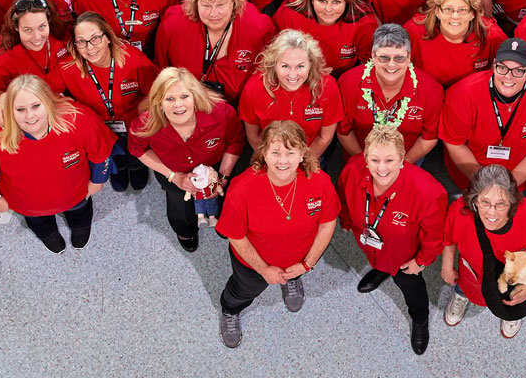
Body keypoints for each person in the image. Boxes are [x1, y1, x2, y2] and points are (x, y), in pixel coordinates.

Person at [215, 121, 340, 348]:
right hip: (252, 265)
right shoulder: (242, 188)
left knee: (292, 273)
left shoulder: (319, 181)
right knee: (242, 291)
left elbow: (327, 223)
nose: (283, 161)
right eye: (275, 153)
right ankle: (230, 310)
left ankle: (291, 280)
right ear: (263, 153)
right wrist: (263, 270)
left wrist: (306, 264)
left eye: (290, 152)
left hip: (299, 259)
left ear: (302, 153)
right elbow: (236, 236)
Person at [0, 75, 115, 254]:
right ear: (9, 110)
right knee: (41, 225)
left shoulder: (79, 119)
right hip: (27, 205)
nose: (30, 116)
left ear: (48, 102)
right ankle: (48, 235)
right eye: (20, 109)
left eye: (36, 106)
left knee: (80, 215)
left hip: (77, 195)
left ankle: (80, 228)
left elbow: (101, 154)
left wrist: (97, 181)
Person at [337, 125, 448, 354]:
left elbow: (435, 236)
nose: (382, 168)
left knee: (411, 288)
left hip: (405, 258)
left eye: (389, 160)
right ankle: (381, 269)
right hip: (371, 245)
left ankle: (419, 320)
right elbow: (343, 198)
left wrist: (421, 262)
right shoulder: (352, 170)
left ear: (402, 159)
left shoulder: (428, 192)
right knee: (378, 260)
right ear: (365, 158)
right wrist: (346, 222)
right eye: (375, 160)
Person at [441, 165, 526, 339]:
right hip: (471, 271)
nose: (491, 213)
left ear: (512, 201)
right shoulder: (459, 210)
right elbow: (449, 238)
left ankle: (511, 314)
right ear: (475, 200)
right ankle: (461, 294)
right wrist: (446, 267)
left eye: (500, 204)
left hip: (512, 281)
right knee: (466, 287)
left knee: (511, 301)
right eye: (485, 203)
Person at [129, 67, 244, 250]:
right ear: (159, 102)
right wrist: (174, 177)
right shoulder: (145, 123)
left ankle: (223, 224)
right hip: (171, 172)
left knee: (223, 198)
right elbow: (138, 150)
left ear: (195, 96)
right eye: (169, 98)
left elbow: (235, 141)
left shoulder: (222, 112)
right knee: (179, 204)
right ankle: (186, 231)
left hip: (215, 167)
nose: (178, 105)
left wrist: (222, 178)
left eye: (184, 96)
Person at [440, 37, 526, 192]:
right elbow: (454, 144)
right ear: (493, 66)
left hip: (518, 180)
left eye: (518, 70)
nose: (508, 76)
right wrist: (482, 184)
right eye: (502, 68)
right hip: (470, 176)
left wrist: (508, 187)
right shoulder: (464, 93)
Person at [59, 12, 157, 191]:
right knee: (116, 157)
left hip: (133, 125)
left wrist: (139, 115)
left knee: (134, 155)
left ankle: (137, 166)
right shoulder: (68, 68)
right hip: (100, 130)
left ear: (108, 37)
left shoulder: (132, 59)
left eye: (95, 38)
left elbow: (156, 92)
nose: (90, 47)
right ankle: (118, 168)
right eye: (81, 41)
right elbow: (45, 92)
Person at [155, 0, 275, 102]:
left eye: (220, 5)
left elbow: (267, 76)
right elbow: (162, 72)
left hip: (240, 107)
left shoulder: (259, 27)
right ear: (195, 4)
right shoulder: (173, 24)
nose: (213, 13)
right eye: (206, 5)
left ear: (234, 3)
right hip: (187, 106)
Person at [336, 24, 443, 162]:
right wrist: (366, 163)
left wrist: (401, 166)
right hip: (360, 156)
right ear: (373, 56)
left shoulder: (431, 89)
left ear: (409, 57)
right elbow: (344, 132)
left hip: (407, 159)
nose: (391, 65)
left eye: (399, 58)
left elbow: (428, 138)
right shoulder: (348, 82)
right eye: (384, 58)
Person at [273, 0, 378, 77]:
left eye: (336, 2)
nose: (328, 9)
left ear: (347, 2)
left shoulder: (364, 22)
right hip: (295, 77)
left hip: (342, 79)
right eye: (322, 1)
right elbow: (273, 54)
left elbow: (368, 64)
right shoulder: (290, 14)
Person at [406, 0, 508, 88]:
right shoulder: (413, 32)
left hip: (470, 98)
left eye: (462, 10)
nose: (455, 16)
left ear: (473, 13)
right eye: (448, 9)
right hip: (425, 94)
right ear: (437, 11)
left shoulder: (492, 36)